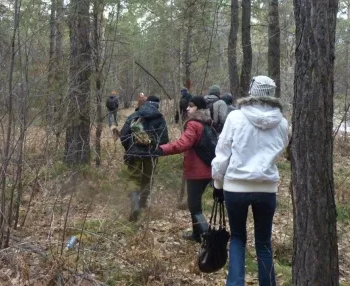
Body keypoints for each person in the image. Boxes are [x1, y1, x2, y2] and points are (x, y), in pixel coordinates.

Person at [211, 76, 289, 286]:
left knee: (237, 238)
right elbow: (280, 149)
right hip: (267, 188)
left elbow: (222, 153)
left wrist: (218, 184)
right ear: (272, 95)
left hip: (236, 187)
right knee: (263, 243)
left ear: (252, 92)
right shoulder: (282, 122)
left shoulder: (235, 117)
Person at [155, 96, 214, 242]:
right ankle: (196, 235)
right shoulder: (207, 123)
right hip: (207, 170)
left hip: (197, 172)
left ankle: (208, 238)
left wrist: (161, 149)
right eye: (188, 106)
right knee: (195, 204)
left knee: (194, 206)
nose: (187, 108)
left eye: (191, 106)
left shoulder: (194, 124)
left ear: (199, 109)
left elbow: (182, 144)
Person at [120, 95, 169, 221]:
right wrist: (156, 149)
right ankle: (142, 202)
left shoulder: (134, 115)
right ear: (157, 105)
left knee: (133, 178)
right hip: (151, 154)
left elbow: (123, 135)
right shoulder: (160, 118)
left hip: (134, 153)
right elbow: (164, 140)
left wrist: (129, 148)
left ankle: (135, 205)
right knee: (148, 178)